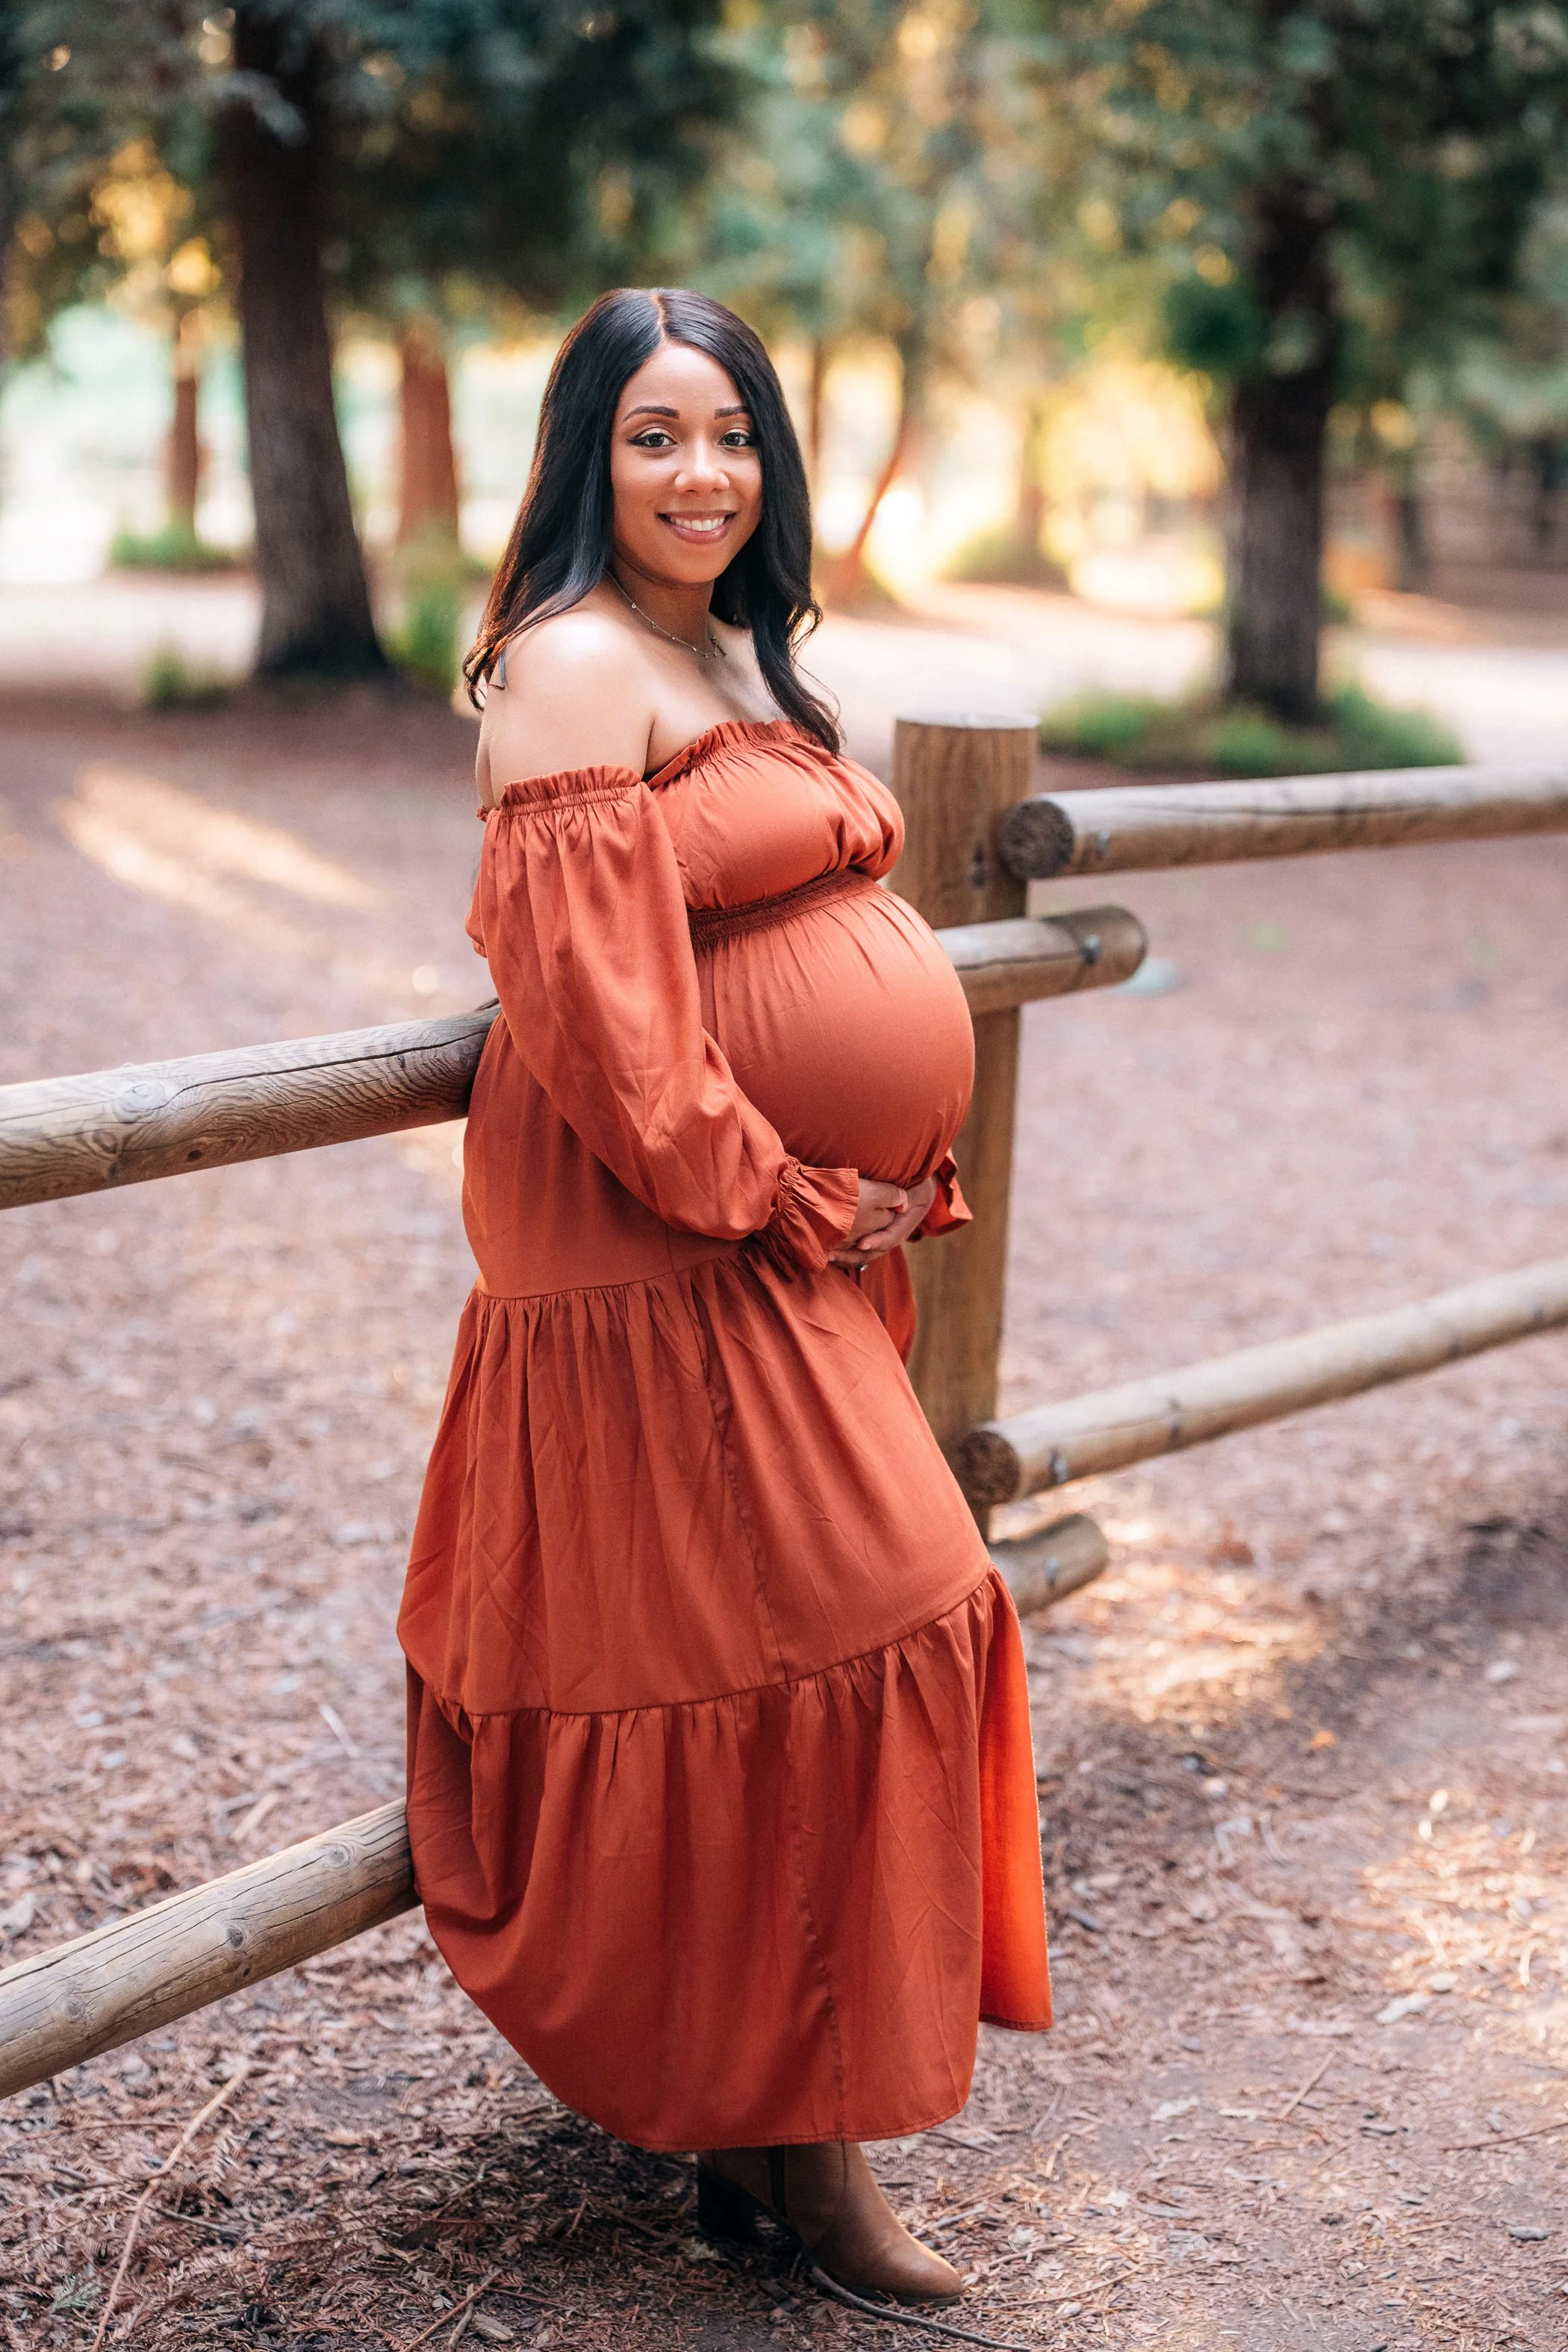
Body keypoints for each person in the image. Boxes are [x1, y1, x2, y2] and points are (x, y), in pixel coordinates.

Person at [397, 287, 1051, 2305]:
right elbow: (599, 1024)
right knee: (881, 1614)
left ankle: (782, 2159)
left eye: (733, 435)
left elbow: (805, 934)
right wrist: (777, 1192)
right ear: (588, 457)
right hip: (665, 1256)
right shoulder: (568, 668)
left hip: (781, 1247)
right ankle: (805, 2164)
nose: (702, 473)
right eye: (656, 436)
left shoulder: (735, 651)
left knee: (831, 1660)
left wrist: (883, 1169)